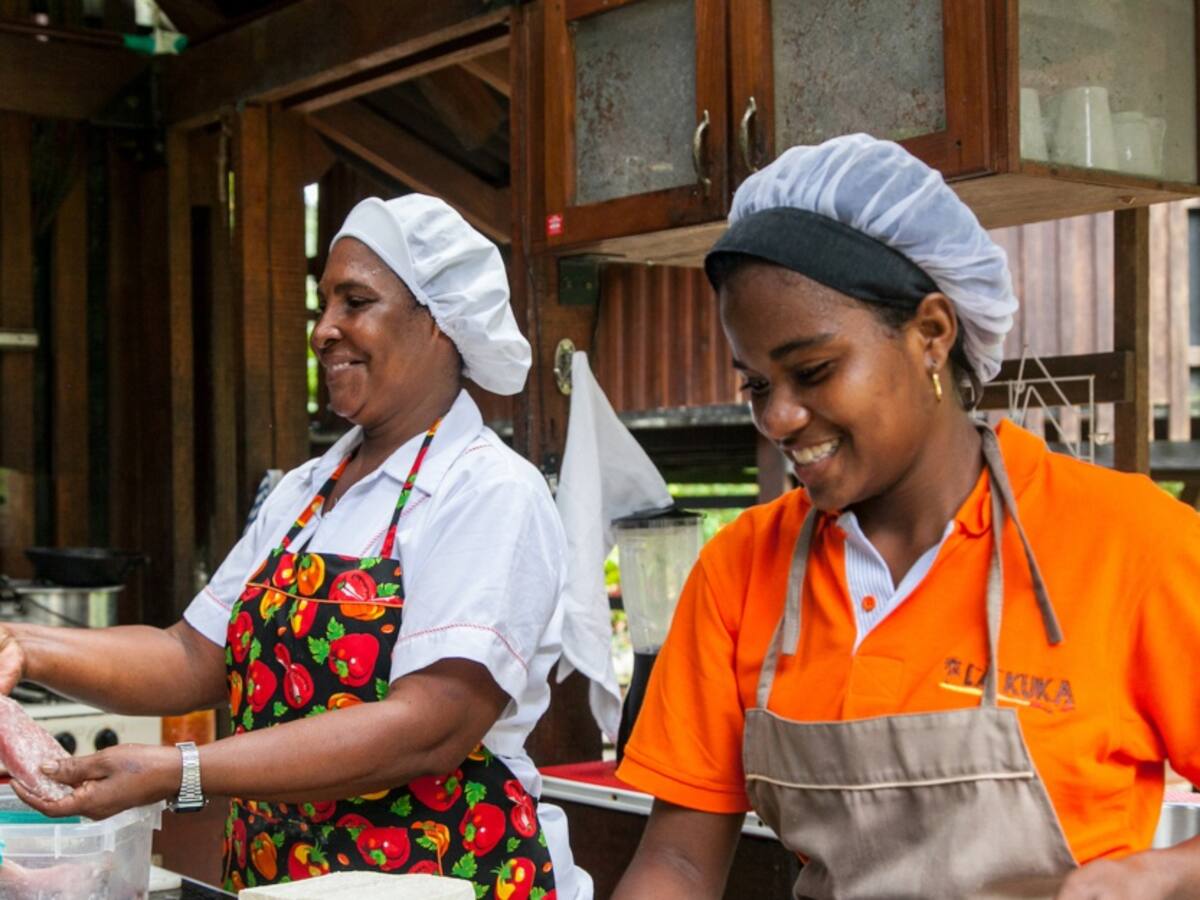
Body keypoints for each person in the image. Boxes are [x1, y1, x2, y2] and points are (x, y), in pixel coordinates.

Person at [613, 135, 1200, 899]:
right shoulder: (742, 569)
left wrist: (1154, 878)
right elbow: (679, 862)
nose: (781, 416)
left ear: (932, 334)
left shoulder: (1129, 543)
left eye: (814, 370)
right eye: (757, 384)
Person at [4, 194, 592, 898]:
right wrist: (23, 646)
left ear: (440, 321)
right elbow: (193, 655)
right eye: (323, 305)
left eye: (355, 302)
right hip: (280, 881)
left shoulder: (490, 491)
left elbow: (430, 724)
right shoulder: (306, 492)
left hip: (444, 878)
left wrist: (183, 769)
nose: (323, 330)